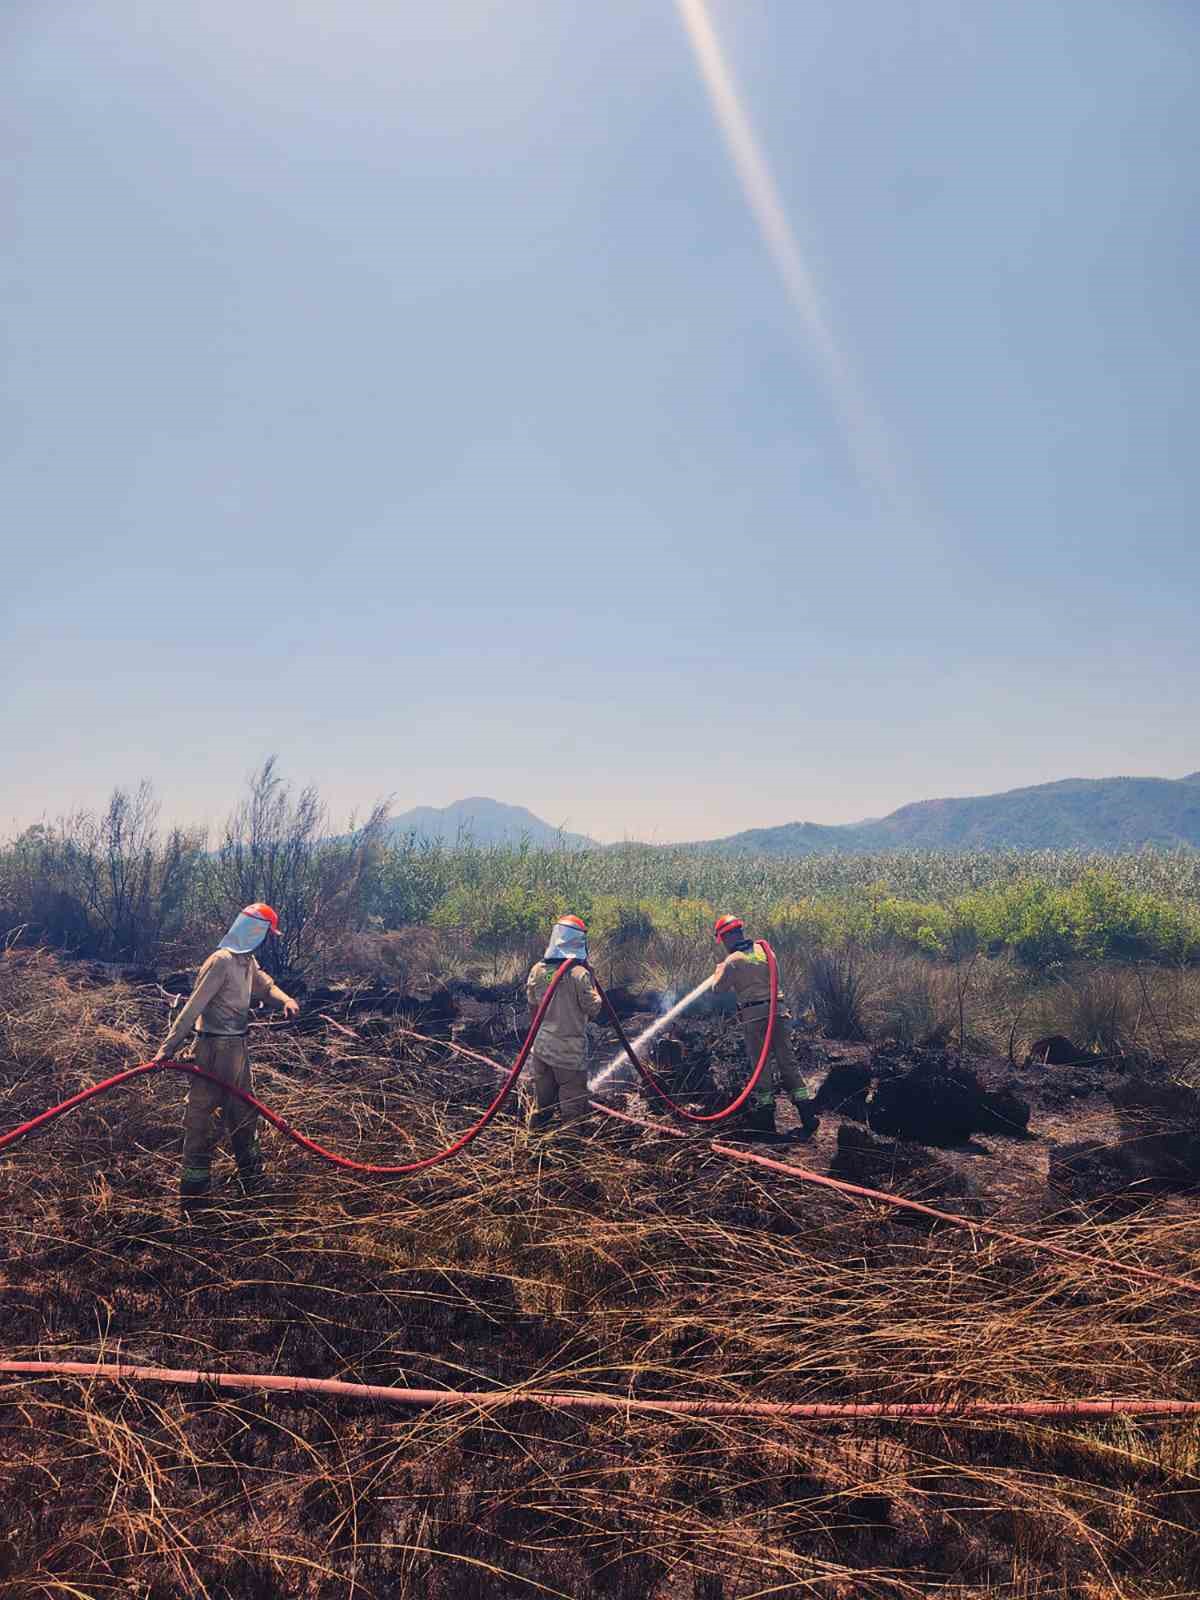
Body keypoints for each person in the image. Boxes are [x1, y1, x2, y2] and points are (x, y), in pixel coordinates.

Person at [153, 902, 299, 1203]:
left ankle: (253, 1185)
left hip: (237, 1052)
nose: (267, 940)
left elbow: (265, 987)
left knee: (244, 1117)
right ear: (253, 931)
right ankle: (194, 1198)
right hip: (211, 1051)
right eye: (266, 934)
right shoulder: (221, 962)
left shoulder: (247, 962)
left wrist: (286, 1000)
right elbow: (193, 1007)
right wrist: (166, 1050)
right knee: (201, 1122)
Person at [711, 914, 819, 1139]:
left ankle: (766, 1121)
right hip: (778, 1012)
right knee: (788, 1062)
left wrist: (719, 971)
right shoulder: (766, 951)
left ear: (727, 937)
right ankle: (808, 1115)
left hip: (754, 1016)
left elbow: (718, 989)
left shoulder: (732, 961)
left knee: (760, 1066)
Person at [525, 914, 602, 1135]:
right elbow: (594, 1009)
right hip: (568, 1055)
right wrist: (593, 980)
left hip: (541, 1050)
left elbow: (532, 1006)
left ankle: (532, 1143)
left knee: (543, 1107)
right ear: (579, 941)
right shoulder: (579, 974)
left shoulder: (539, 969)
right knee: (572, 1110)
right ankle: (569, 1149)